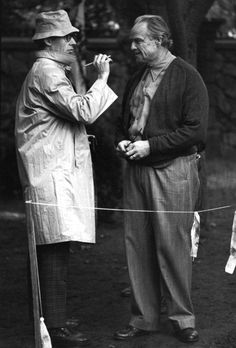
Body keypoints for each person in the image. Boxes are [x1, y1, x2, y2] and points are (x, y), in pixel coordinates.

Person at [15, 9, 117, 347]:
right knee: (53, 248)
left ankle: (51, 318)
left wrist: (81, 74)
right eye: (67, 36)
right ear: (48, 41)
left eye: (74, 35)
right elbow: (83, 110)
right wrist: (102, 78)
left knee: (56, 246)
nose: (74, 40)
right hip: (49, 175)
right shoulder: (46, 72)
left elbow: (68, 113)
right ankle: (54, 326)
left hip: (54, 172)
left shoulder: (50, 70)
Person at [114, 15, 209, 343]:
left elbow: (195, 130)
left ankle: (183, 319)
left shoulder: (186, 76)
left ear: (159, 40)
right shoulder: (137, 76)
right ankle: (143, 319)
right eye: (132, 41)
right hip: (137, 170)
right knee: (136, 244)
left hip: (173, 170)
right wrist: (123, 140)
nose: (133, 47)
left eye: (138, 40)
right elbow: (124, 119)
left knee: (173, 245)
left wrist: (151, 145)